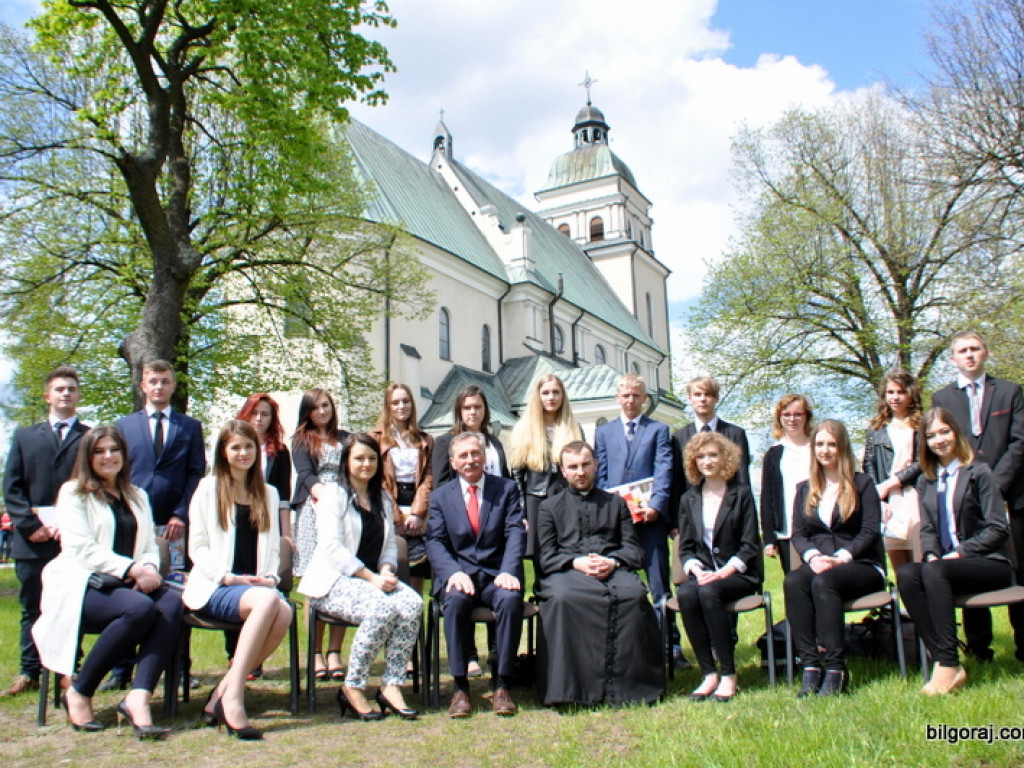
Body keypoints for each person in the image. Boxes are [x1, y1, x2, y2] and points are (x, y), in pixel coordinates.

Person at [33, 426, 183, 738]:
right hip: (82, 583)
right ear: (88, 458)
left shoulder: (138, 495)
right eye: (99, 451)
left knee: (171, 602)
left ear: (124, 455)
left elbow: (149, 546)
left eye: (114, 449)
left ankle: (138, 698)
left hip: (129, 583)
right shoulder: (73, 493)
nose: (108, 456)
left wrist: (150, 569)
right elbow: (82, 549)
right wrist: (133, 570)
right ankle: (80, 690)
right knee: (139, 609)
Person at [298, 434, 422, 721]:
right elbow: (332, 548)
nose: (366, 464)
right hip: (334, 581)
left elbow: (390, 545)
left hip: (373, 579)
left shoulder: (382, 497)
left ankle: (391, 685)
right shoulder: (333, 494)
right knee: (381, 607)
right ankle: (352, 687)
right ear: (346, 462)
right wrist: (371, 578)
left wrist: (387, 571)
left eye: (371, 458)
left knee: (412, 604)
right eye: (359, 458)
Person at [184, 420, 292, 739]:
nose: (243, 453)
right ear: (223, 452)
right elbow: (197, 546)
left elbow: (273, 548)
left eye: (248, 447)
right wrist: (226, 577)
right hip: (216, 586)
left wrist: (269, 578)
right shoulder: (208, 488)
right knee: (272, 603)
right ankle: (233, 697)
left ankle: (222, 690)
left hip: (256, 587)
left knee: (283, 611)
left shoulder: (268, 494)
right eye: (236, 447)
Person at [534, 441, 664, 706]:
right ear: (563, 471)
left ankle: (631, 688)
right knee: (563, 598)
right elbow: (546, 557)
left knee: (633, 595)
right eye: (573, 467)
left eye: (585, 465)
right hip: (567, 571)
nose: (580, 472)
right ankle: (571, 691)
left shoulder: (616, 503)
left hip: (612, 569)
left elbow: (634, 551)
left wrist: (612, 562)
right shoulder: (549, 508)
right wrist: (576, 562)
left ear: (596, 465)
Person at [897, 408, 1012, 695]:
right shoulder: (927, 480)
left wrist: (960, 552)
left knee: (935, 571)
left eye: (944, 432)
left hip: (988, 563)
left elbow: (998, 528)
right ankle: (942, 657)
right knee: (909, 573)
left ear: (956, 433)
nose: (939, 440)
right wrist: (931, 554)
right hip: (945, 567)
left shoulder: (979, 472)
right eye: (931, 435)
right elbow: (928, 530)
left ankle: (948, 664)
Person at [109, 358, 204, 690]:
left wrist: (181, 513)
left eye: (165, 381)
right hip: (134, 526)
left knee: (177, 593)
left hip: (175, 526)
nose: (159, 387)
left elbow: (195, 473)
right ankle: (121, 669)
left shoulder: (189, 427)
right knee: (129, 591)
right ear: (143, 386)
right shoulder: (124, 426)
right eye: (153, 381)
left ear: (173, 386)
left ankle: (180, 668)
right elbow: (118, 473)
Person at [932, 330, 1024, 661]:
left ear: (985, 353)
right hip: (966, 499)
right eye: (962, 351)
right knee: (970, 564)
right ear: (952, 359)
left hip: (1012, 496)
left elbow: (1019, 441)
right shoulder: (943, 399)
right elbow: (944, 444)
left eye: (975, 349)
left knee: (1020, 570)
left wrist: (995, 486)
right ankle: (979, 647)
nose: (969, 355)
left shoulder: (1011, 392)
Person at [2, 365, 89, 697]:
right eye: (59, 389)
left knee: (72, 605)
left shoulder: (89, 437)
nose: (65, 394)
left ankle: (70, 670)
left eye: (71, 389)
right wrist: (30, 526)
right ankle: (29, 670)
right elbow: (12, 489)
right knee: (33, 607)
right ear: (47, 395)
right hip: (32, 541)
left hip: (72, 541)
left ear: (79, 396)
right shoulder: (25, 437)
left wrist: (69, 528)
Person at [426, 432, 525, 718]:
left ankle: (502, 684)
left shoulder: (505, 489)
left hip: (496, 574)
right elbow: (435, 541)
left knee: (509, 600)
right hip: (461, 576)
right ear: (453, 462)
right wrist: (453, 573)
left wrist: (508, 570)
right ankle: (460, 688)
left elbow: (515, 532)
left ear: (484, 456)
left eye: (475, 453)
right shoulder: (440, 496)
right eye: (463, 456)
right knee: (454, 602)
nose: (470, 460)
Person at [784, 419, 885, 697]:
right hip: (820, 563)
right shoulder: (805, 489)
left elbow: (869, 531)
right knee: (794, 581)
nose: (825, 450)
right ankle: (810, 667)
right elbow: (799, 533)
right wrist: (813, 556)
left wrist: (842, 557)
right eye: (819, 444)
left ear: (842, 448)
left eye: (831, 444)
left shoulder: (862, 483)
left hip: (861, 565)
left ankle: (837, 669)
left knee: (823, 583)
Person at [677, 432, 762, 702]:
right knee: (687, 593)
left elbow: (750, 544)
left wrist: (725, 571)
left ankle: (728, 673)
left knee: (708, 593)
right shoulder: (689, 499)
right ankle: (708, 674)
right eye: (701, 456)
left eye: (713, 455)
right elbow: (687, 547)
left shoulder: (742, 494)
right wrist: (696, 569)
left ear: (724, 458)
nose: (707, 461)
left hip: (739, 574)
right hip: (705, 574)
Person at [430, 385, 510, 676]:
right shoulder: (445, 443)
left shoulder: (494, 442)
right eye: (467, 408)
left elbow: (505, 479)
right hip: (460, 529)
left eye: (477, 407)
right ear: (459, 411)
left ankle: (496, 652)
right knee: (464, 590)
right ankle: (470, 655)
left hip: (495, 523)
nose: (473, 412)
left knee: (497, 584)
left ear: (485, 410)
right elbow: (440, 485)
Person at [594, 374, 673, 624]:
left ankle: (669, 645)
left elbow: (664, 471)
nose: (630, 400)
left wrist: (656, 506)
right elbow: (602, 476)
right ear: (618, 398)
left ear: (644, 399)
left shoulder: (658, 430)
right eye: (625, 395)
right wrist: (612, 508)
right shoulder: (604, 432)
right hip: (618, 522)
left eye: (636, 396)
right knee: (619, 582)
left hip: (651, 520)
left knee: (659, 582)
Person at [291, 387, 350, 682]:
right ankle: (314, 652)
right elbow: (305, 473)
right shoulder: (301, 440)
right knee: (315, 583)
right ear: (308, 412)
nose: (323, 411)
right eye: (316, 407)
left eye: (326, 405)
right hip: (314, 510)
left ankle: (335, 651)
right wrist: (323, 497)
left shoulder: (345, 438)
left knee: (341, 577)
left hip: (343, 509)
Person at [232, 393, 293, 679]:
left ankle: (253, 659)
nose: (259, 418)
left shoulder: (279, 452)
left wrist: (286, 533)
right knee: (235, 582)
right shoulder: (230, 445)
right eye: (255, 412)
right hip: (233, 521)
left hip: (265, 521)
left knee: (258, 580)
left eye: (265, 414)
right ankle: (235, 654)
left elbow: (283, 497)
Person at [508, 373, 583, 563]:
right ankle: (543, 592)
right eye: (546, 393)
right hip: (536, 498)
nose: (551, 398)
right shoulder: (524, 429)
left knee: (569, 548)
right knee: (541, 552)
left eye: (556, 392)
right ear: (538, 396)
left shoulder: (574, 428)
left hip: (566, 496)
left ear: (563, 396)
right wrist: (521, 512)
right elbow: (516, 476)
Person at [368, 383, 434, 595]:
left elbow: (428, 478)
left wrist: (417, 513)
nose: (401, 406)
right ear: (388, 406)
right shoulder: (375, 439)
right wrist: (395, 517)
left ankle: (415, 622)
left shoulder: (424, 439)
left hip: (417, 508)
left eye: (405, 401)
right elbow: (378, 480)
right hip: (388, 505)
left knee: (417, 570)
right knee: (391, 565)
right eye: (395, 402)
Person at [863, 370, 923, 572]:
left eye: (900, 392)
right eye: (890, 392)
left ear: (910, 394)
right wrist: (876, 497)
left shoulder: (922, 424)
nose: (895, 397)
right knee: (900, 564)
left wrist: (894, 481)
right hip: (888, 499)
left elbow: (922, 461)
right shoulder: (876, 428)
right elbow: (869, 464)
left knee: (921, 558)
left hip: (915, 494)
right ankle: (907, 603)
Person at [670, 375, 751, 511]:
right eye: (697, 394)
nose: (703, 399)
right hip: (692, 513)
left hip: (729, 510)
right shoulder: (678, 438)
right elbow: (677, 483)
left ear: (716, 398)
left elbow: (742, 477)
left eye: (708, 394)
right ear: (689, 399)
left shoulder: (735, 434)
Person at [760, 394, 814, 574]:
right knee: (795, 584)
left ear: (806, 416)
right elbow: (767, 498)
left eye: (798, 414)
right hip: (787, 532)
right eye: (787, 414)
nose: (792, 419)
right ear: (779, 418)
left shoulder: (818, 448)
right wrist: (769, 538)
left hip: (818, 530)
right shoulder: (774, 454)